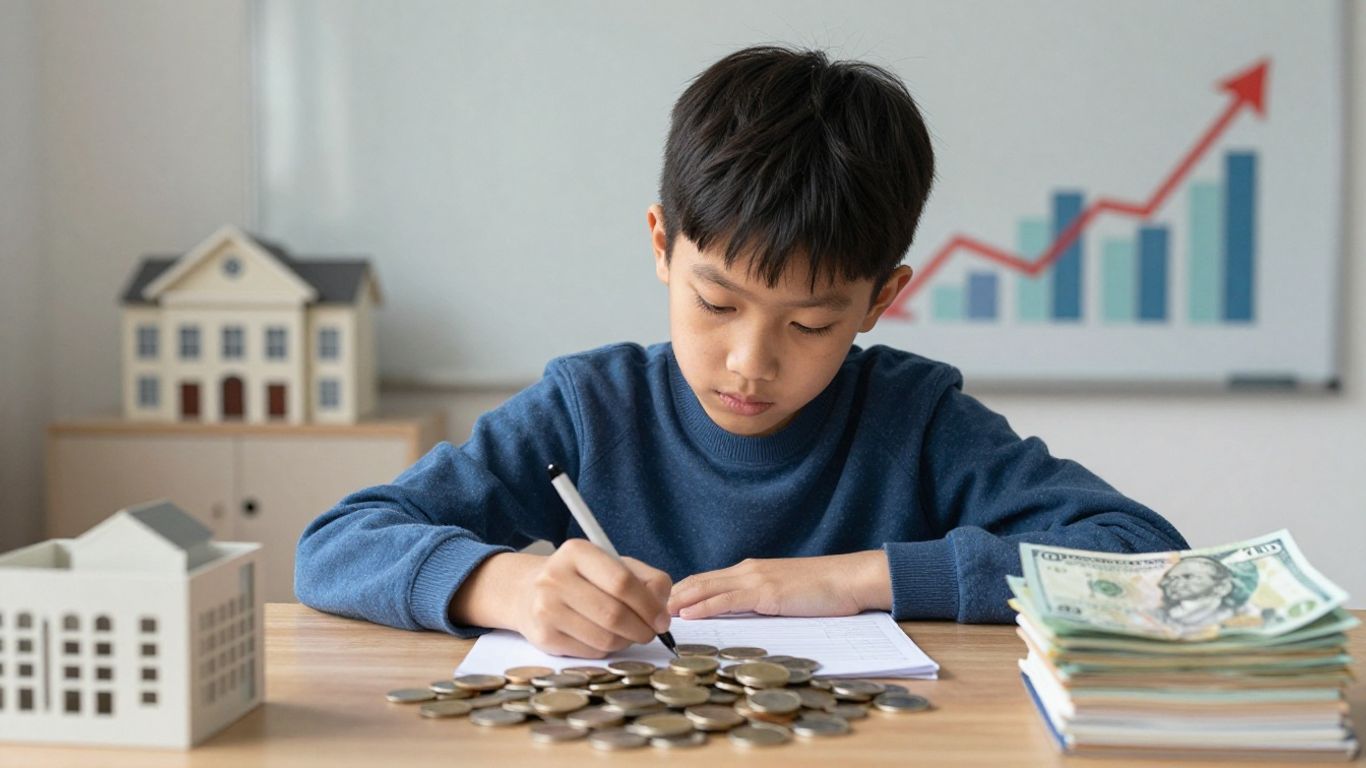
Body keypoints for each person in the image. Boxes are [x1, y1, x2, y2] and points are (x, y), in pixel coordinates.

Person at [295, 45, 1188, 658]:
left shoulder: (915, 421)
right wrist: (509, 589)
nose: (749, 362)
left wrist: (860, 581)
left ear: (882, 298)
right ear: (660, 244)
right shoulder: (588, 407)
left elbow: (1145, 563)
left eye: (809, 325)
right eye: (716, 302)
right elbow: (334, 546)